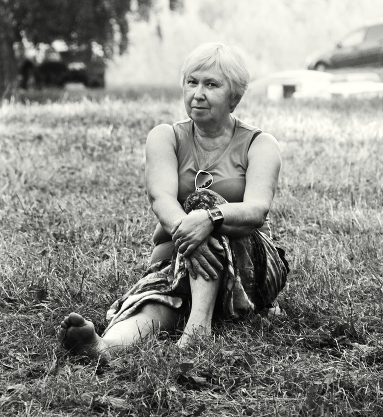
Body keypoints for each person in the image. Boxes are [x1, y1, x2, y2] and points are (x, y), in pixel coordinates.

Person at [60, 42, 289, 359]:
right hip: (178, 262)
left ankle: (197, 329)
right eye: (192, 82)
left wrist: (208, 219)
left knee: (202, 203)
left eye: (211, 85)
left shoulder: (260, 144)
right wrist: (191, 234)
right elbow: (161, 198)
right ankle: (105, 346)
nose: (198, 93)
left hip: (251, 265)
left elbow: (256, 210)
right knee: (159, 299)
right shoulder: (165, 136)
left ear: (235, 97)